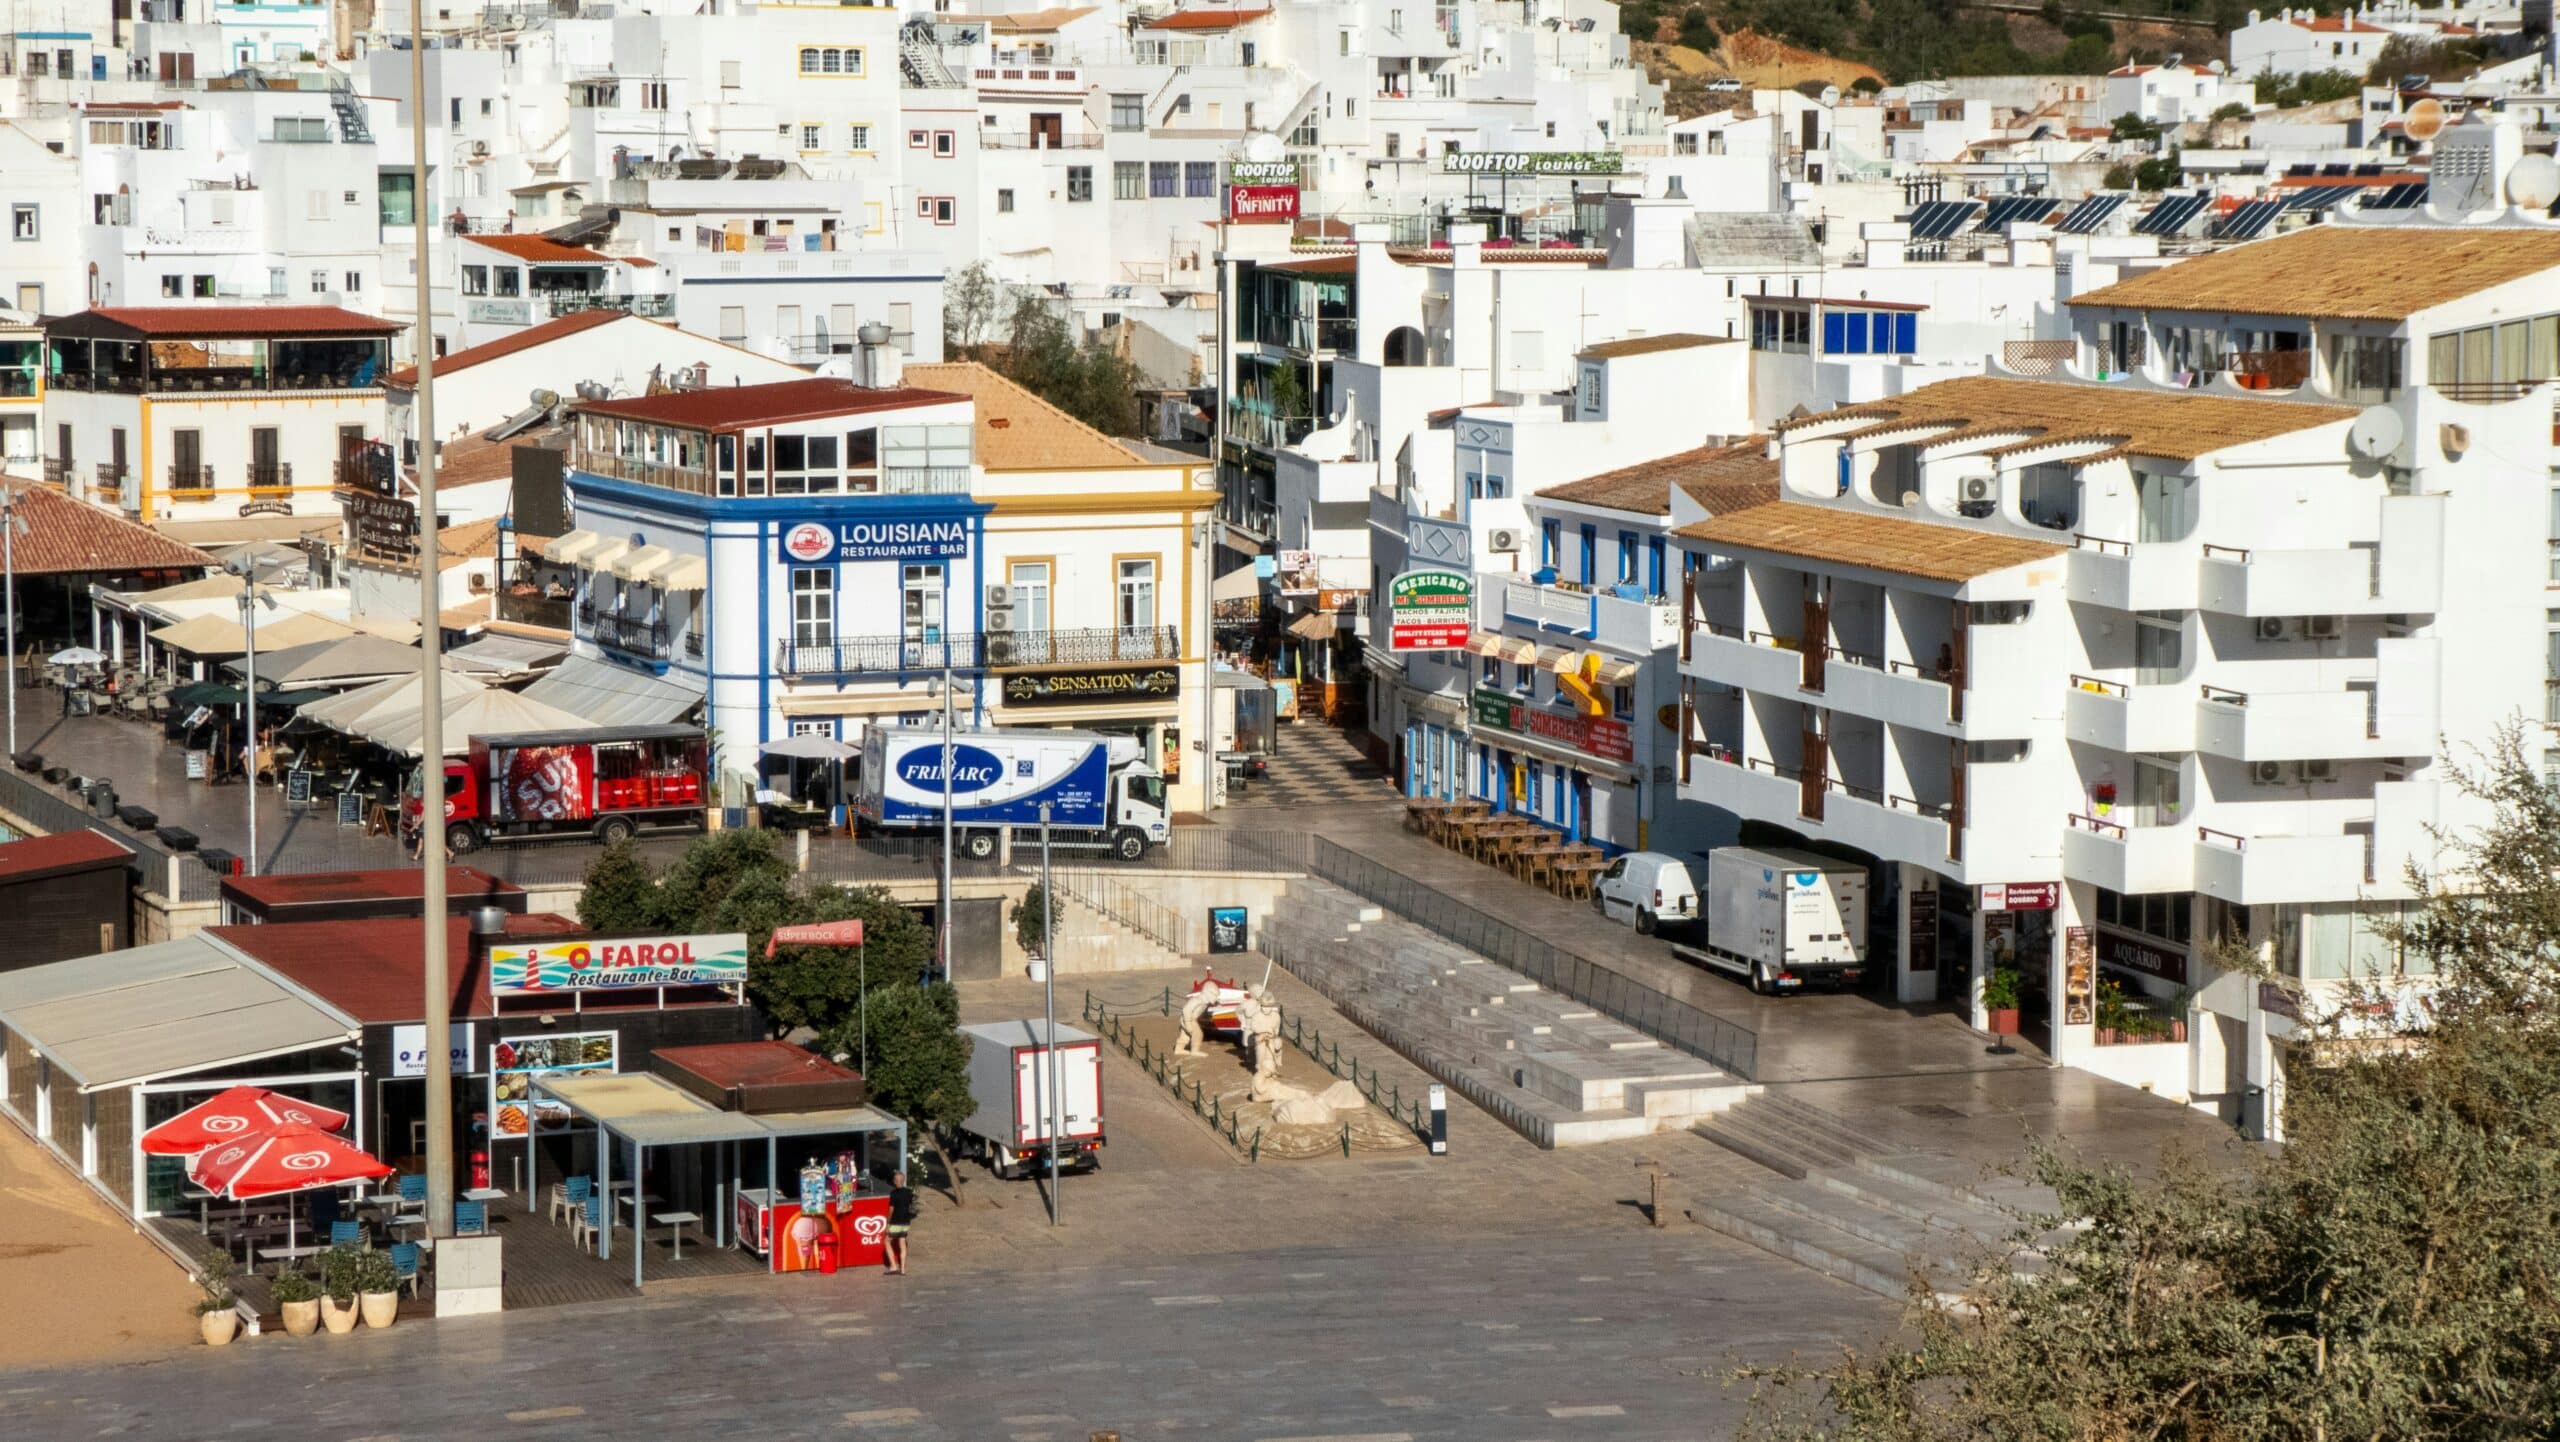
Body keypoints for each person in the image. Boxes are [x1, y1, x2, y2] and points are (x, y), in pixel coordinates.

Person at [883, 1170, 914, 1275]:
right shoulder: (909, 1192)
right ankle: (903, 1269)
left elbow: (891, 1210)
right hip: (906, 1222)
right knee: (902, 1243)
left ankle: (893, 1266)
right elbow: (909, 1207)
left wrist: (888, 1223)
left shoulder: (893, 1194)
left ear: (895, 1181)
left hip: (896, 1222)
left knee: (887, 1241)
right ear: (903, 1181)